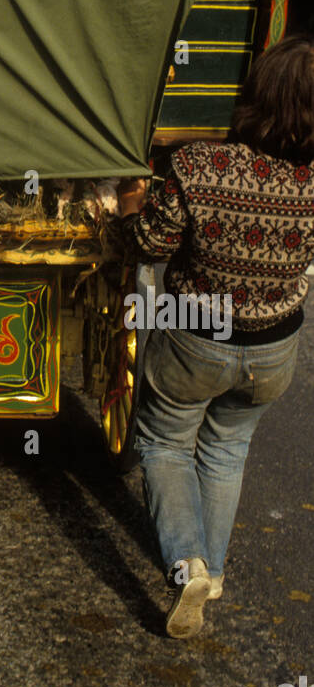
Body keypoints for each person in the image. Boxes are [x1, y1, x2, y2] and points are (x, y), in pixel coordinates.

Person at [118, 34, 314, 638]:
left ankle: (188, 567)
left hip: (195, 339)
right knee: (226, 450)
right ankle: (216, 573)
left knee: (166, 442)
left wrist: (128, 209)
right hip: (275, 348)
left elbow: (149, 244)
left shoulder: (199, 164)